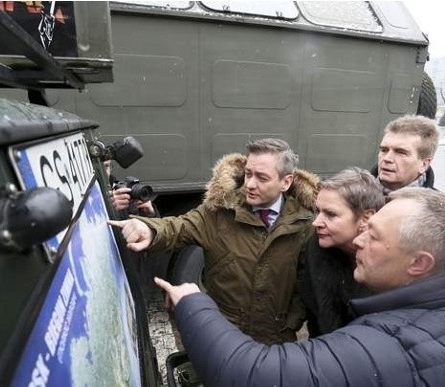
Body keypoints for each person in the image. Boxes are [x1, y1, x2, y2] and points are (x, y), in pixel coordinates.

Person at [155, 188, 445, 387]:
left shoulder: (389, 351)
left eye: (374, 234)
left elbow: (252, 384)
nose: (359, 238)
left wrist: (193, 304)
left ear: (420, 263)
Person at [109, 138, 318, 344]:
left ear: (286, 182)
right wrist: (150, 229)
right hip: (223, 336)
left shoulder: (306, 224)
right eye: (248, 174)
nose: (250, 184)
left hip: (276, 340)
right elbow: (179, 226)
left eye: (262, 178)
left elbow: (307, 281)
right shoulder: (219, 211)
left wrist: (291, 321)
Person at [298, 167, 385, 336]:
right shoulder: (316, 247)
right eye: (318, 211)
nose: (316, 222)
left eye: (330, 214)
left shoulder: (394, 259)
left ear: (366, 218)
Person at [371, 114, 439, 193]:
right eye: (384, 150)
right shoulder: (355, 198)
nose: (387, 158)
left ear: (424, 164)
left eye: (400, 153)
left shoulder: (436, 205)